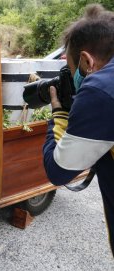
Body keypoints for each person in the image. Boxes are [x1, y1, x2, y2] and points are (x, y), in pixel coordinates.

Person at [43, 4, 114, 255]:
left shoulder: (99, 89)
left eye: (74, 74)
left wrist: (60, 114)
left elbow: (58, 171)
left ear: (86, 61)